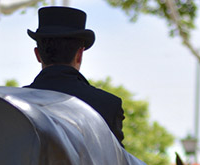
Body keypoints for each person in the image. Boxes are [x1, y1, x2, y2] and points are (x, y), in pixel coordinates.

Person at [25, 6, 125, 144]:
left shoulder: (12, 104)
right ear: (79, 55)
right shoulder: (107, 106)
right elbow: (116, 164)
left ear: (37, 54)